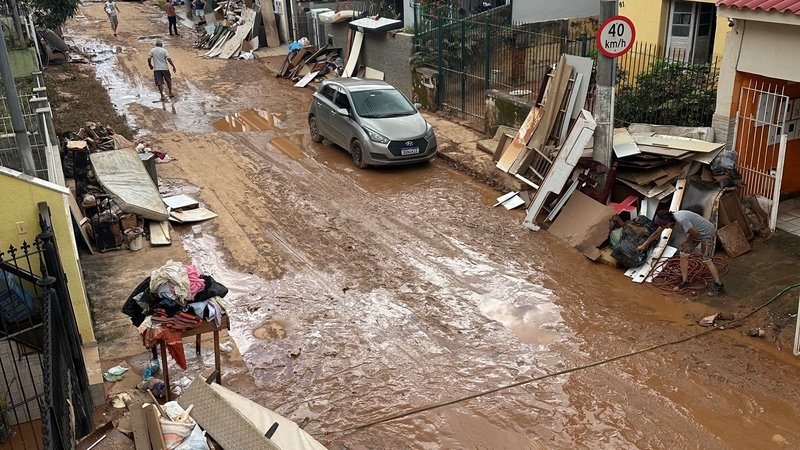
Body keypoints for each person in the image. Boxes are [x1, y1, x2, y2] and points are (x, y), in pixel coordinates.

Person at [637, 210, 724, 296]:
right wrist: (643, 245)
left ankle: (718, 285)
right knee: (683, 255)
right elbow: (656, 233)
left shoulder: (681, 220)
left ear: (669, 222)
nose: (664, 227)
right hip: (695, 233)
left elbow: (694, 232)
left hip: (706, 233)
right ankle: (684, 281)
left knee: (706, 260)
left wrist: (687, 242)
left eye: (664, 225)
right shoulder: (668, 221)